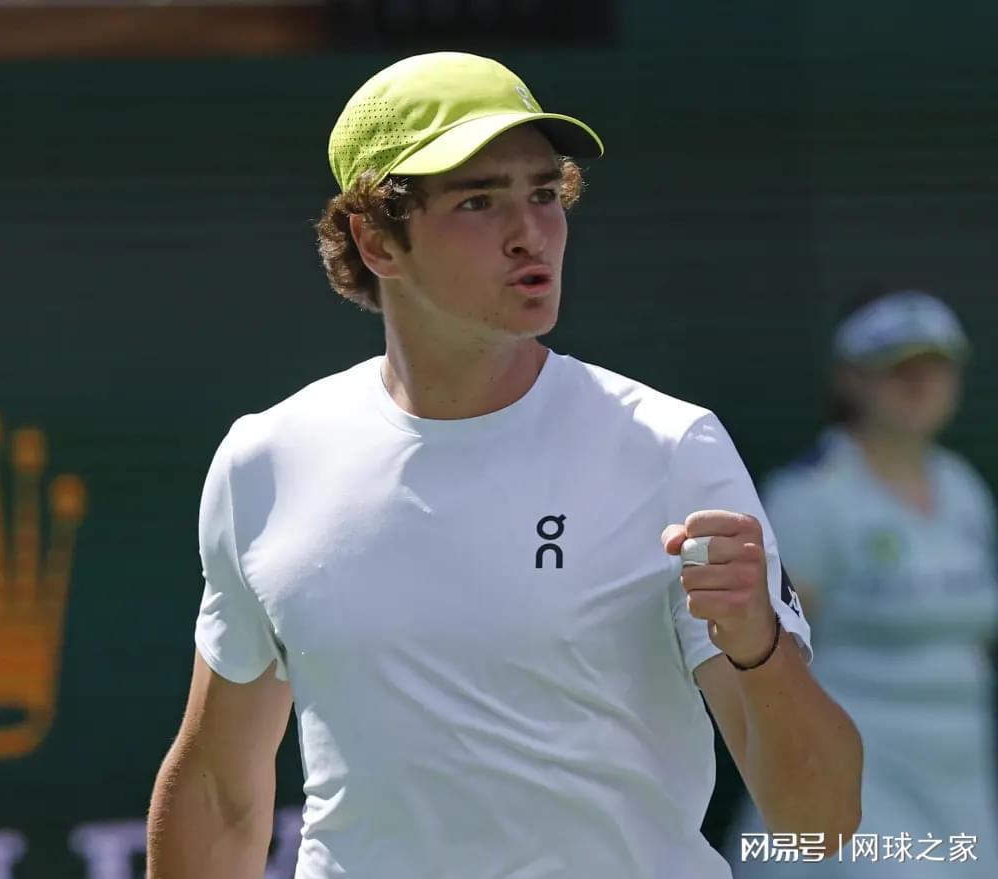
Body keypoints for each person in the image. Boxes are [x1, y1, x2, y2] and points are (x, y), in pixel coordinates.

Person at [146, 52, 861, 879]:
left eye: (544, 194)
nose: (531, 232)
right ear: (375, 239)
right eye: (478, 201)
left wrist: (759, 647)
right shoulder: (264, 459)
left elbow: (821, 826)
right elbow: (220, 796)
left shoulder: (673, 447)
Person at [725, 288, 998, 876]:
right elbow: (773, 655)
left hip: (962, 776)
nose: (919, 384)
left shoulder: (964, 489)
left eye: (934, 366)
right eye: (897, 367)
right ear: (852, 379)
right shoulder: (810, 496)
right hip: (860, 775)